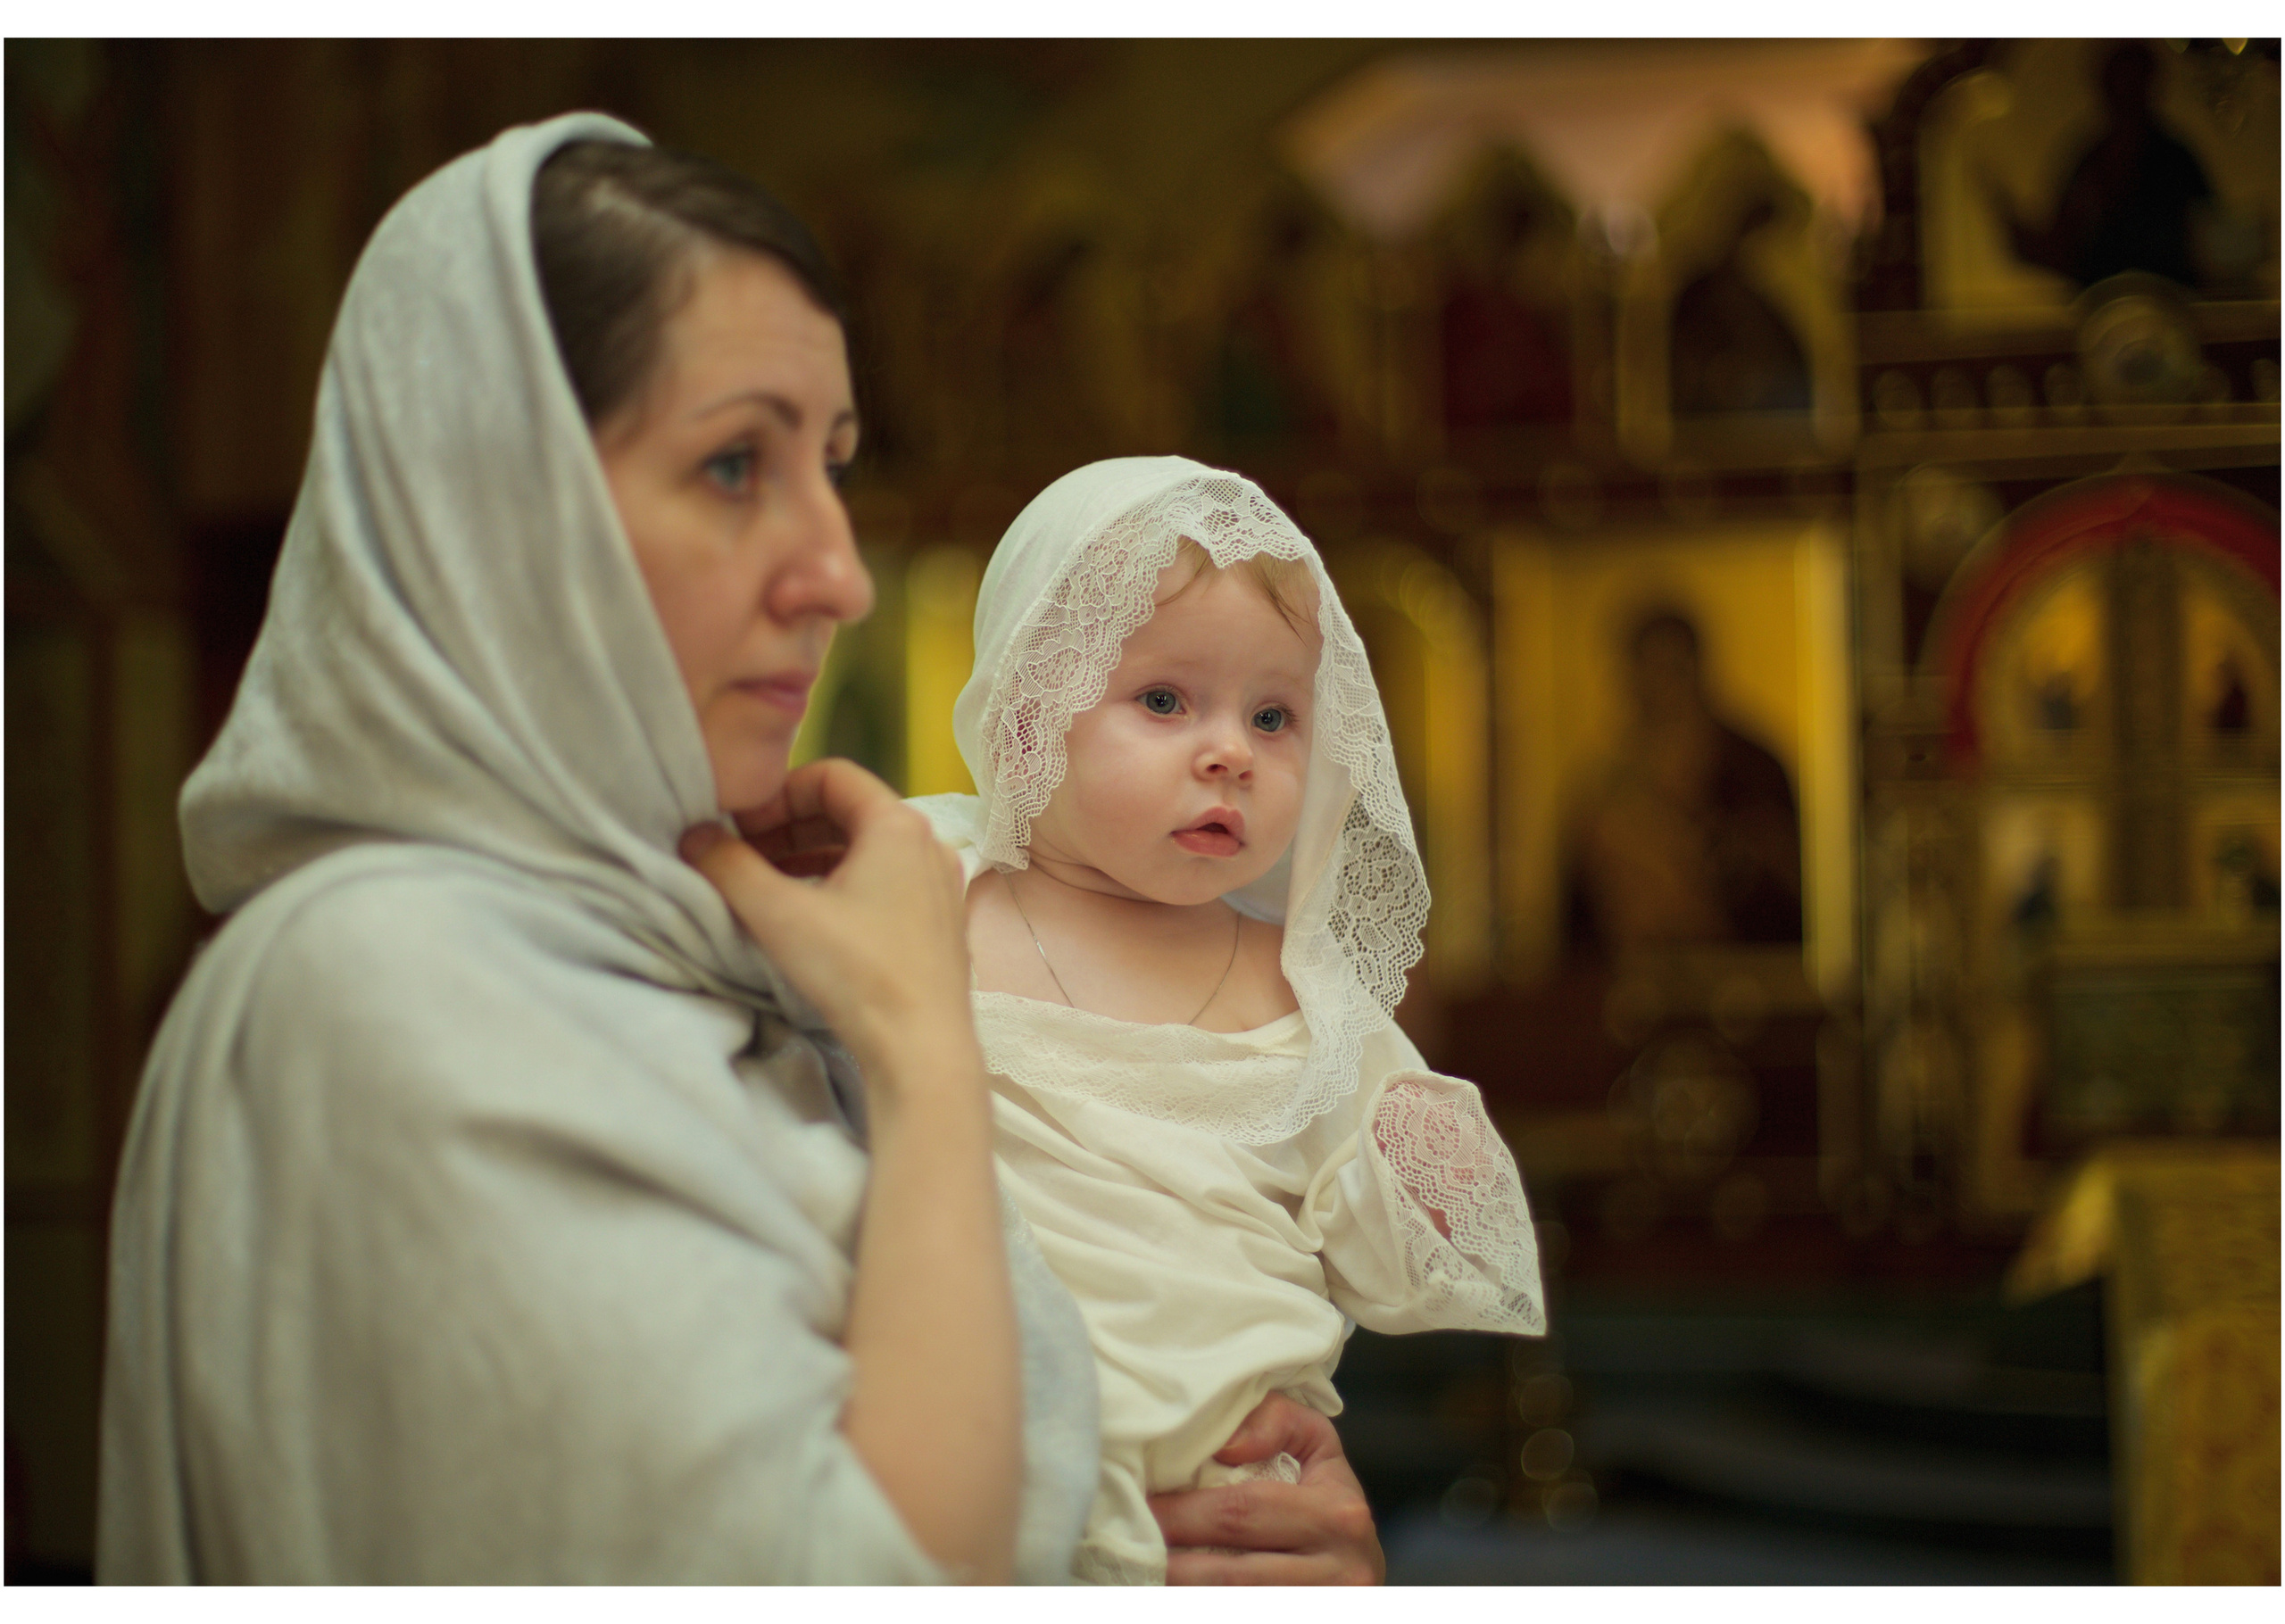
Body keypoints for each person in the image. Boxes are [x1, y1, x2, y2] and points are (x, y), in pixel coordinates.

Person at [97, 115, 1378, 1585]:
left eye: (830, 464)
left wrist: (1270, 1549)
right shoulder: (393, 983)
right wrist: (918, 1035)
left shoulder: (701, 955)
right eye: (730, 466)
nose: (835, 569)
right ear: (495, 513)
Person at [910, 458, 1545, 1584]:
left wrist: (1408, 1130)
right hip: (968, 1486)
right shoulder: (924, 890)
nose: (1230, 752)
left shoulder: (1298, 991)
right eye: (1163, 700)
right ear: (1025, 704)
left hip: (1232, 1512)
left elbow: (1410, 1257)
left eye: (1274, 715)